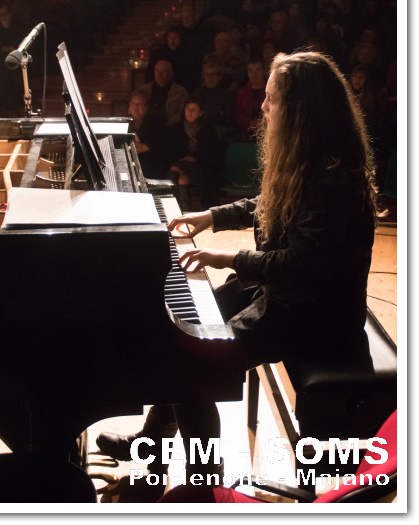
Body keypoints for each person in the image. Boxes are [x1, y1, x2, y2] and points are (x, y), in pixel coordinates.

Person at [96, 51, 378, 498]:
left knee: (195, 363)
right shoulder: (310, 157)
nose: (263, 107)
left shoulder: (333, 180)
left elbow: (301, 266)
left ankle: (204, 483)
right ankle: (151, 447)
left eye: (271, 99)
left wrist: (226, 258)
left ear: (300, 110)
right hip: (286, 294)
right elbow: (266, 204)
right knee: (183, 332)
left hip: (315, 315)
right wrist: (210, 216)